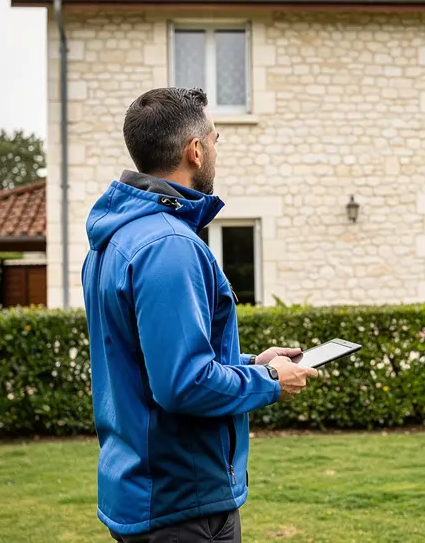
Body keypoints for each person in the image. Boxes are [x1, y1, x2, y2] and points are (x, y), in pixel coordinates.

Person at [82, 87, 319, 542]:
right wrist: (271, 381)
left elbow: (152, 360)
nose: (215, 149)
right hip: (179, 503)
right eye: (214, 140)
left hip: (150, 492)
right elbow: (183, 383)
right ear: (195, 151)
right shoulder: (169, 245)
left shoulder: (115, 240)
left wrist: (252, 363)